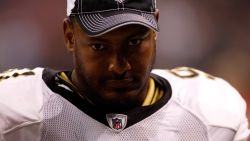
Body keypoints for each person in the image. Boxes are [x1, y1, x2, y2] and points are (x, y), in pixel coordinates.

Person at [0, 0, 249, 140]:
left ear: (155, 30)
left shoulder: (211, 113)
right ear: (69, 35)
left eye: (134, 43)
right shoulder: (15, 111)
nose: (118, 66)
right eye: (99, 46)